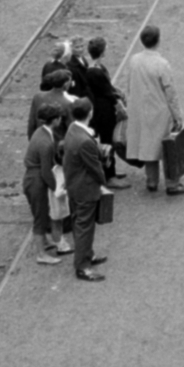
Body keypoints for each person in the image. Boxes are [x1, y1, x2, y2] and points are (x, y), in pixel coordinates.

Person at [122, 25, 184, 195]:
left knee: (148, 145)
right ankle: (172, 183)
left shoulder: (134, 60)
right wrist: (177, 116)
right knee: (168, 147)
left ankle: (151, 180)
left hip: (140, 109)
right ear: (158, 41)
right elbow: (170, 93)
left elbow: (129, 85)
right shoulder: (162, 64)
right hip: (159, 111)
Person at [61, 97, 108, 281]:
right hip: (85, 189)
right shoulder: (85, 141)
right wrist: (103, 181)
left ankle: (87, 254)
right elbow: (95, 167)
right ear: (90, 113)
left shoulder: (72, 129)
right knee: (84, 227)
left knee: (79, 223)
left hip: (74, 185)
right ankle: (82, 266)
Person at [24, 103, 67, 264]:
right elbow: (45, 171)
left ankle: (44, 243)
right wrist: (57, 188)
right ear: (55, 120)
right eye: (59, 117)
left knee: (40, 214)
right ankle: (41, 254)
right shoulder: (46, 142)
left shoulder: (40, 132)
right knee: (40, 218)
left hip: (31, 177)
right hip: (37, 181)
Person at [84, 35, 128, 187]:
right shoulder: (94, 72)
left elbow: (108, 88)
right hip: (103, 110)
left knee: (109, 138)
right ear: (102, 52)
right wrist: (118, 102)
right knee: (108, 140)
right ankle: (109, 176)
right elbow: (106, 92)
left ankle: (112, 171)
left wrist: (116, 92)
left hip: (105, 107)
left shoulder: (97, 68)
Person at [26, 69, 77, 140]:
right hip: (56, 144)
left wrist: (31, 139)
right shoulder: (67, 104)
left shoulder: (38, 97)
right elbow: (71, 129)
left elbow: (32, 122)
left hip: (38, 139)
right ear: (65, 84)